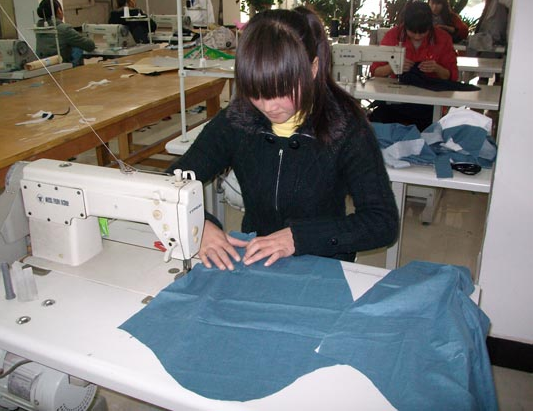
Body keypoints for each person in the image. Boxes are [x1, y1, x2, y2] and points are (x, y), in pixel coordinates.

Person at [166, 7, 399, 270]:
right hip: (256, 260)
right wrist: (199, 225)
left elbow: (382, 222)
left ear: (312, 69)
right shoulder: (239, 118)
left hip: (323, 262)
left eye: (282, 91)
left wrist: (299, 238)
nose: (268, 106)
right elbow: (170, 183)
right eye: (256, 91)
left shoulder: (346, 127)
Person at [369, 1, 458, 130]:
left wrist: (437, 68)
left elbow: (452, 76)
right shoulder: (393, 36)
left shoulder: (442, 39)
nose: (417, 36)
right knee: (376, 122)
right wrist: (393, 67)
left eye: (422, 32)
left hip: (429, 103)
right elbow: (375, 71)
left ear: (430, 26)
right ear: (405, 25)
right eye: (412, 32)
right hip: (396, 101)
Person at [35, 0, 95, 66]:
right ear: (59, 10)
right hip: (61, 65)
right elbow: (90, 46)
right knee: (77, 47)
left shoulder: (39, 29)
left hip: (45, 65)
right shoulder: (64, 29)